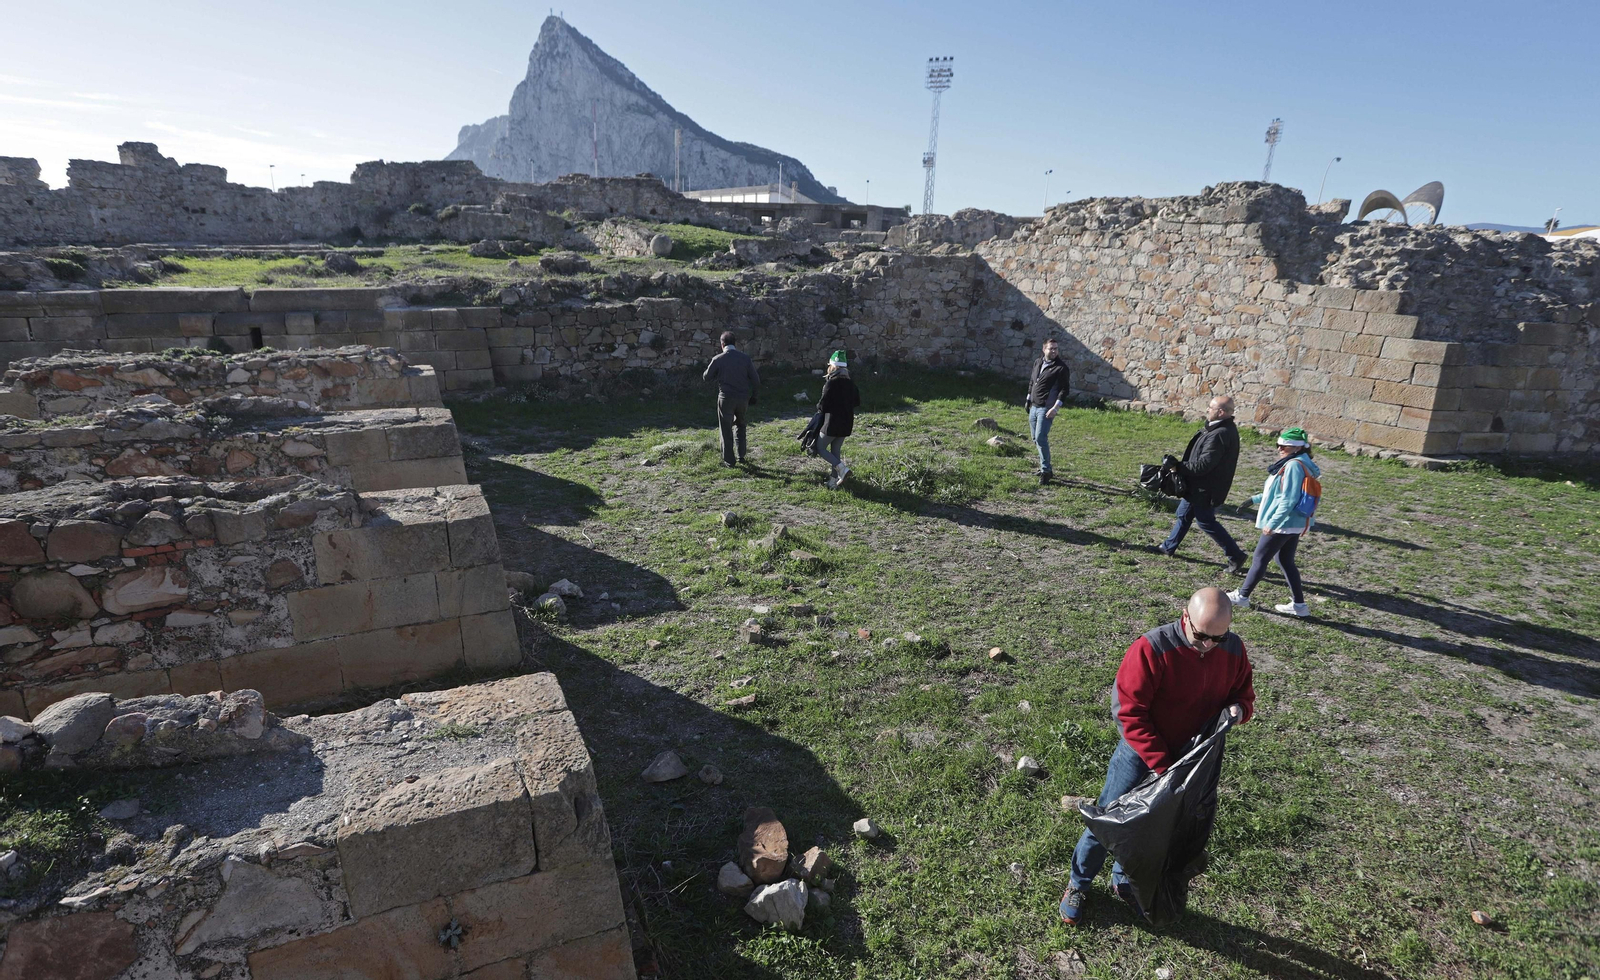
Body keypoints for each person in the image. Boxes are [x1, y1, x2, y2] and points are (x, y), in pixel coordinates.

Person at [1059, 587, 1254, 926]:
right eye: (1201, 636)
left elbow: (1243, 692)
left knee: (1156, 827)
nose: (1208, 645)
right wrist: (1162, 766)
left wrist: (1240, 709)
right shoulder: (1152, 648)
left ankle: (1124, 880)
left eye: (1217, 639)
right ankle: (1078, 884)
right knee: (1109, 820)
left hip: (1190, 759)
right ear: (1185, 616)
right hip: (1141, 754)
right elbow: (1129, 713)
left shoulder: (1233, 649)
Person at [1227, 427, 1321, 617]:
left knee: (1260, 559)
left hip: (1284, 522)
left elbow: (1288, 498)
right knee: (1284, 560)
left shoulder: (1294, 465)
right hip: (1294, 521)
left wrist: (1273, 522)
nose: (1279, 448)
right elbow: (1277, 492)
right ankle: (1300, 606)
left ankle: (1242, 596)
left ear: (1296, 448)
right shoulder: (1298, 462)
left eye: (1283, 446)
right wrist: (1254, 499)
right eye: (1278, 445)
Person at [1157, 396, 1249, 575]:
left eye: (1210, 407)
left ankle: (1236, 555)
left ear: (1220, 412)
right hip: (1198, 485)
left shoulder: (1220, 434)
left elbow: (1203, 465)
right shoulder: (1218, 428)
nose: (1207, 410)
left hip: (1206, 488)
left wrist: (1177, 466)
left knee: (1205, 521)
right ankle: (1168, 547)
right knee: (1183, 514)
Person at [702, 331, 760, 467]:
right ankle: (741, 455)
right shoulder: (745, 359)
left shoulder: (718, 359)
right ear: (735, 343)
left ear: (722, 344)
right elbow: (756, 380)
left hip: (726, 398)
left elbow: (706, 377)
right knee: (741, 425)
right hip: (743, 398)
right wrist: (754, 396)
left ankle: (729, 460)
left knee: (726, 428)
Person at [1025, 338, 1070, 485]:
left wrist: (1055, 408)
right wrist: (1028, 399)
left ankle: (1045, 471)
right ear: (1044, 349)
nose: (1054, 351)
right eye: (1051, 348)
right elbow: (1032, 382)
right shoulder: (1038, 362)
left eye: (1056, 348)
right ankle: (1047, 468)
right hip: (1034, 406)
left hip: (1046, 408)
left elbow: (1064, 390)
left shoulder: (1061, 368)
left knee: (1040, 438)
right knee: (1035, 438)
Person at [813, 350, 861, 488]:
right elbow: (857, 402)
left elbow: (822, 406)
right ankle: (833, 482)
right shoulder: (851, 384)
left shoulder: (831, 383)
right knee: (835, 451)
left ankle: (842, 469)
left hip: (831, 422)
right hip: (847, 423)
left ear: (832, 367)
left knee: (820, 447)